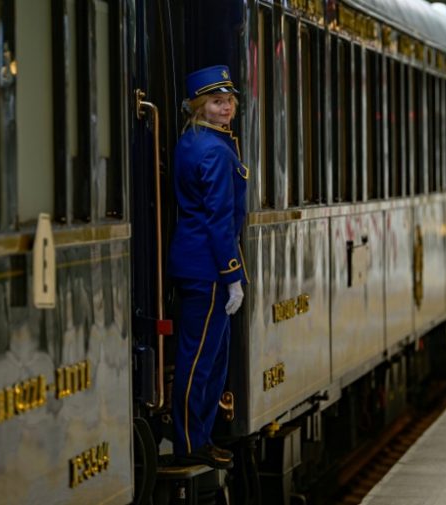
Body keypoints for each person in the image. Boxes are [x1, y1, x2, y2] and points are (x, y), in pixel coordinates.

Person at [169, 65, 248, 469]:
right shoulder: (215, 150)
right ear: (200, 106)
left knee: (205, 358)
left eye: (229, 101)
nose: (226, 109)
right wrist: (232, 274)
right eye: (217, 102)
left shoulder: (192, 141)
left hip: (195, 261)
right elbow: (220, 218)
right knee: (201, 360)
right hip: (208, 267)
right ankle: (189, 441)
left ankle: (198, 437)